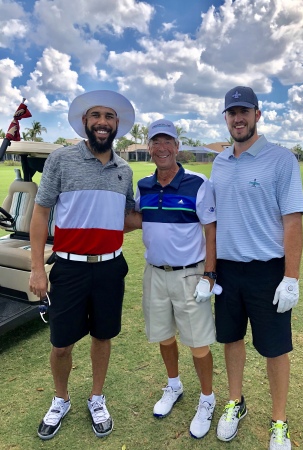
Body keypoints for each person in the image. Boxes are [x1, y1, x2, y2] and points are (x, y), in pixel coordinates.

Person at [29, 90, 139, 440]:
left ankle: (96, 397)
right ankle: (61, 399)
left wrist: (175, 217)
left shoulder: (125, 169)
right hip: (70, 268)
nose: (102, 122)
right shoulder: (61, 160)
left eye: (109, 116)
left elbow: (125, 218)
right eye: (96, 116)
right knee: (61, 343)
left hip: (110, 268)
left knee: (102, 336)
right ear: (85, 122)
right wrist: (36, 268)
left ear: (117, 124)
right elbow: (41, 213)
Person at [210, 86, 303, 449]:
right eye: (232, 112)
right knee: (231, 339)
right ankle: (236, 401)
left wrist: (291, 277)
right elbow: (213, 221)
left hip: (268, 271)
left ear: (257, 114)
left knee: (274, 349)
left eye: (244, 111)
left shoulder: (281, 160)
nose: (238, 118)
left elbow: (293, 222)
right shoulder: (219, 163)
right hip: (227, 271)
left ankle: (279, 420)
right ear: (226, 117)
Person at [135, 119, 217, 439]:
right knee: (164, 336)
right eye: (156, 142)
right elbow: (139, 220)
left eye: (168, 141)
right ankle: (174, 386)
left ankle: (207, 399)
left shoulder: (197, 183)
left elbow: (211, 231)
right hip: (154, 274)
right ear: (149, 148)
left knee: (198, 344)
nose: (162, 147)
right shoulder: (143, 185)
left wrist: (209, 275)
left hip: (189, 274)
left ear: (177, 146)